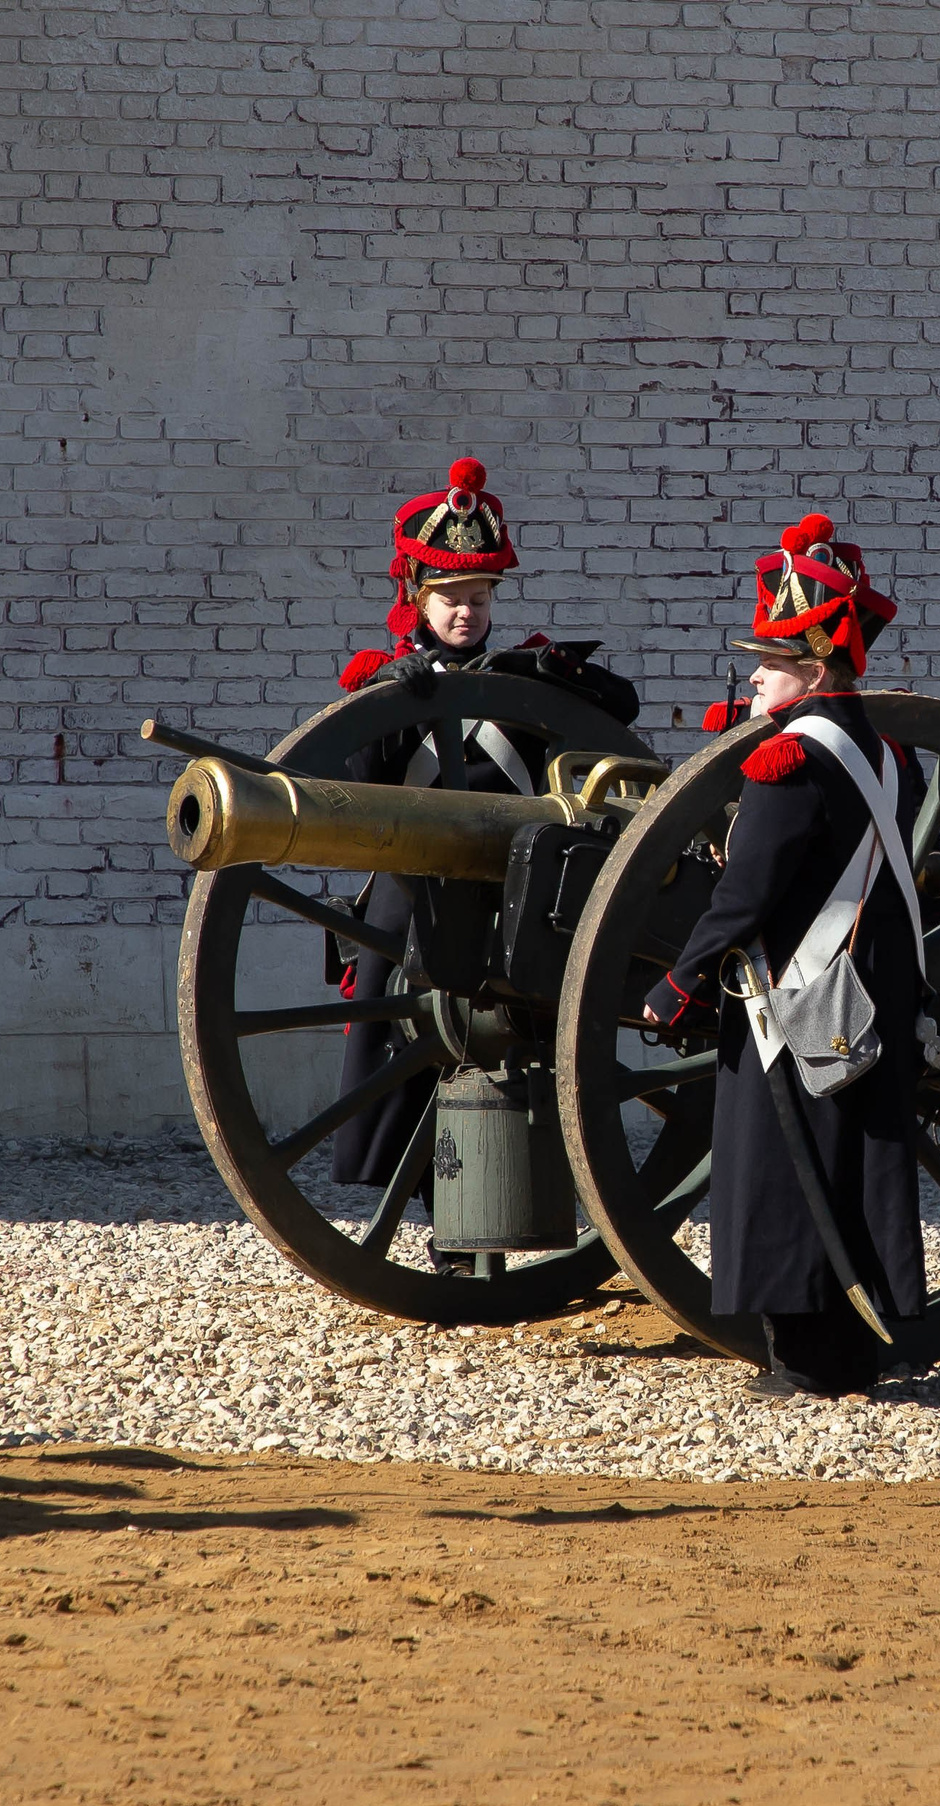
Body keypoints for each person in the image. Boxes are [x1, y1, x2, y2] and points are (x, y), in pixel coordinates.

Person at [638, 513, 932, 1398]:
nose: (755, 673)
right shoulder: (892, 756)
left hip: (793, 999)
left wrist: (679, 980)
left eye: (770, 661)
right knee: (851, 1167)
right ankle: (858, 1346)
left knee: (781, 1170)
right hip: (868, 992)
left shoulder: (788, 761)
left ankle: (803, 1359)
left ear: (810, 671)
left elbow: (747, 894)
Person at [327, 458, 640, 1229]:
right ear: (418, 598)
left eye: (478, 597)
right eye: (450, 600)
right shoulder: (386, 681)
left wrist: (562, 677)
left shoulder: (530, 672)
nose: (466, 614)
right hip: (416, 895)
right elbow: (360, 781)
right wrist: (388, 701)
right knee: (411, 1050)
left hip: (516, 890)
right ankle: (439, 1218)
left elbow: (613, 721)